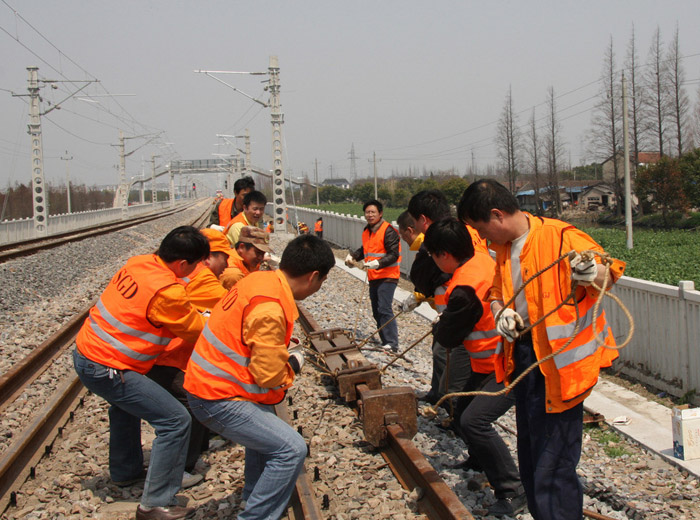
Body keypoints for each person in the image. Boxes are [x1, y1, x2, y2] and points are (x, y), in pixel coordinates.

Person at [458, 179, 626, 520]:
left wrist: (594, 272)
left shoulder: (561, 237)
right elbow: (496, 290)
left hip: (561, 367)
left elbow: (610, 272)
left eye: (481, 229)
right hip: (524, 360)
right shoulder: (504, 249)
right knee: (533, 456)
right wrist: (499, 311)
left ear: (496, 215)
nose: (483, 239)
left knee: (553, 465)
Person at [184, 235, 335, 520]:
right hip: (215, 396)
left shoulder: (260, 280)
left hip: (210, 383)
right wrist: (293, 363)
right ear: (314, 276)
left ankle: (252, 495)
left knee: (267, 422)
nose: (318, 288)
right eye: (322, 281)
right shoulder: (270, 306)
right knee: (291, 449)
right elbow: (268, 377)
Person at [72, 226, 210, 520]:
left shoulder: (139, 263)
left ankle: (126, 472)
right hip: (108, 367)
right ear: (183, 264)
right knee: (175, 420)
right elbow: (195, 330)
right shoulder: (166, 291)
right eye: (197, 264)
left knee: (124, 409)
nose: (197, 270)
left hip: (86, 354)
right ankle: (155, 504)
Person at [424, 218, 526, 517]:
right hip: (489, 359)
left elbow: (449, 337)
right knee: (461, 406)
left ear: (444, 254)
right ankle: (480, 458)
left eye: (432, 255)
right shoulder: (483, 260)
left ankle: (513, 489)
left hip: (505, 362)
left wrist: (442, 324)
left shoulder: (463, 287)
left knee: (473, 422)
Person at [147, 228, 231, 487]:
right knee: (189, 405)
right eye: (223, 258)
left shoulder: (172, 271)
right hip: (170, 356)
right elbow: (226, 307)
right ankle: (178, 470)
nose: (228, 265)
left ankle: (195, 450)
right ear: (207, 258)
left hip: (159, 353)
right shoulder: (203, 278)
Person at [406, 190, 472, 402]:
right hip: (454, 310)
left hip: (458, 313)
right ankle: (439, 395)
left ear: (423, 219)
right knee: (441, 352)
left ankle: (452, 407)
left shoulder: (440, 239)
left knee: (449, 357)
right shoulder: (466, 232)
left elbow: (421, 275)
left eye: (415, 222)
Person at [396, 209, 450, 404]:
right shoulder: (426, 249)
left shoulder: (429, 250)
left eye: (403, 235)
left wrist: (419, 295)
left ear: (411, 230)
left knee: (443, 354)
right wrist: (418, 296)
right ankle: (437, 393)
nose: (403, 240)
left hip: (450, 312)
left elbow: (432, 279)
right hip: (443, 311)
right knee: (438, 351)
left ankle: (448, 399)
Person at [345, 199, 401, 352]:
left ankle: (392, 343)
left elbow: (394, 254)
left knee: (384, 308)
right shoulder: (367, 231)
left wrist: (379, 263)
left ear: (380, 213)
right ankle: (385, 341)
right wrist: (354, 257)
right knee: (376, 309)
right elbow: (366, 250)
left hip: (388, 276)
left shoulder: (389, 230)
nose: (369, 215)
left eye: (373, 212)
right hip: (374, 276)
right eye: (367, 212)